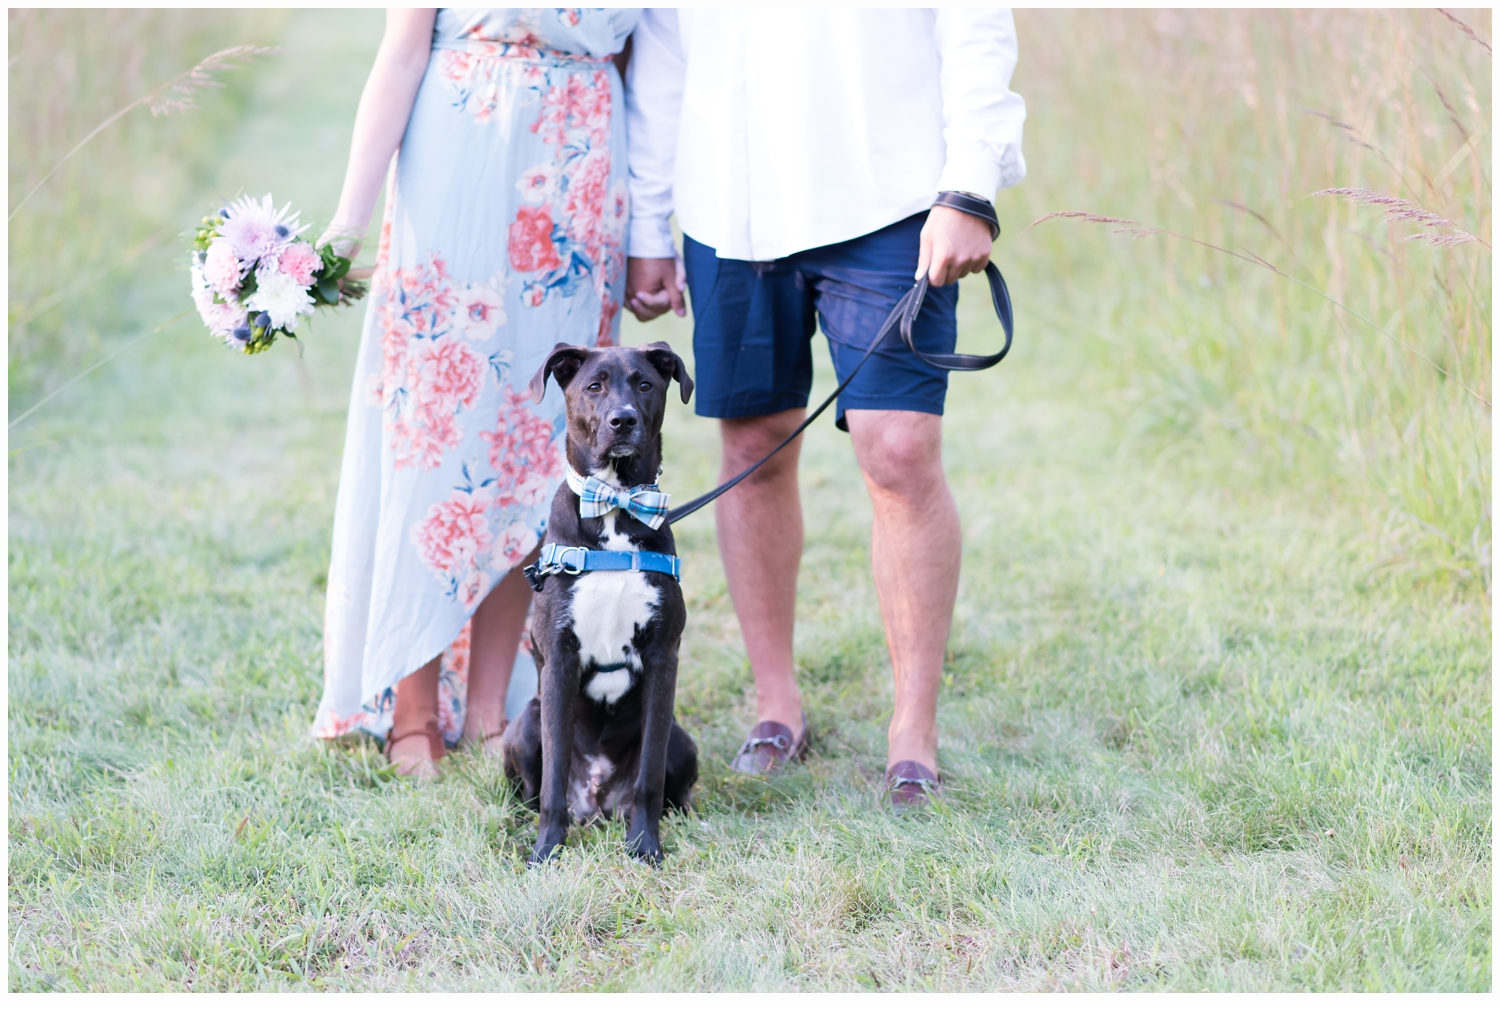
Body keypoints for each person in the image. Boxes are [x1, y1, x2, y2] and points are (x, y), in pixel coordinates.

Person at [624, 9, 1026, 805]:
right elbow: (666, 54)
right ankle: (777, 707)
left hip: (889, 197)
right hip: (730, 207)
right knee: (751, 447)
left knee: (900, 452)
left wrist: (970, 184)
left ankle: (913, 729)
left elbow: (975, 23)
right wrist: (648, 222)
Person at [312, 8, 641, 779]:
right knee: (438, 440)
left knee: (538, 450)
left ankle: (496, 708)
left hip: (584, 175)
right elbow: (400, 55)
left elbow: (645, 65)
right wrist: (346, 225)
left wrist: (656, 227)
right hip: (462, 161)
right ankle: (414, 707)